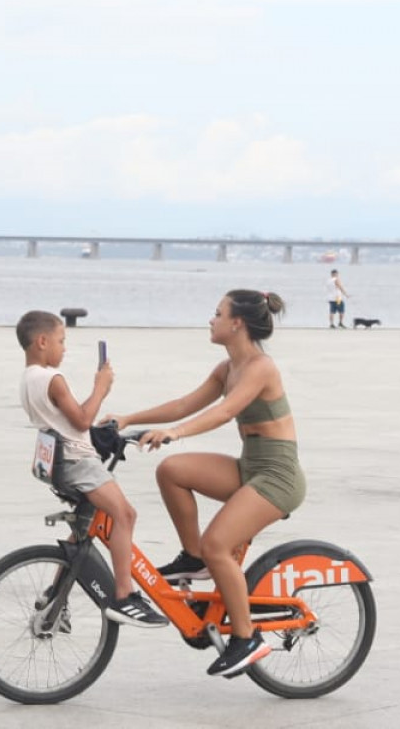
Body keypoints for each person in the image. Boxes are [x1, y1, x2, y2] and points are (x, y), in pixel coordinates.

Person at [118, 290, 301, 678]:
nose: (211, 319)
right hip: (250, 466)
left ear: (237, 323)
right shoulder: (227, 368)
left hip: (278, 475)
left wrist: (175, 432)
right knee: (172, 471)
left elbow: (225, 411)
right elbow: (186, 404)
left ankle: (247, 639)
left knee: (220, 543)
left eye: (217, 313)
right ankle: (194, 557)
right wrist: (128, 420)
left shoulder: (260, 367)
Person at [15, 310, 168, 629]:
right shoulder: (51, 379)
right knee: (125, 515)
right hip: (78, 463)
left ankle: (55, 595)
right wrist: (101, 387)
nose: (64, 348)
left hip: (60, 462)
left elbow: (62, 422)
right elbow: (82, 420)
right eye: (61, 340)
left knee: (84, 528)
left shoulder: (28, 378)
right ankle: (124, 597)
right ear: (42, 342)